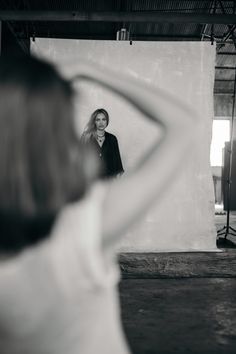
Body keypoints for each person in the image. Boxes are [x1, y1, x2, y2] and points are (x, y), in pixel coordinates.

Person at [0, 55, 199, 354]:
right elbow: (186, 125)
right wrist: (90, 70)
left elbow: (115, 165)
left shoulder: (95, 199)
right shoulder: (89, 222)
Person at [81, 108, 124, 178]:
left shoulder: (112, 139)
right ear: (94, 121)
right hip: (91, 181)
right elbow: (80, 163)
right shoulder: (86, 137)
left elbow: (118, 168)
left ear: (107, 121)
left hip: (108, 183)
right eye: (98, 120)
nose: (101, 123)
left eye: (104, 119)